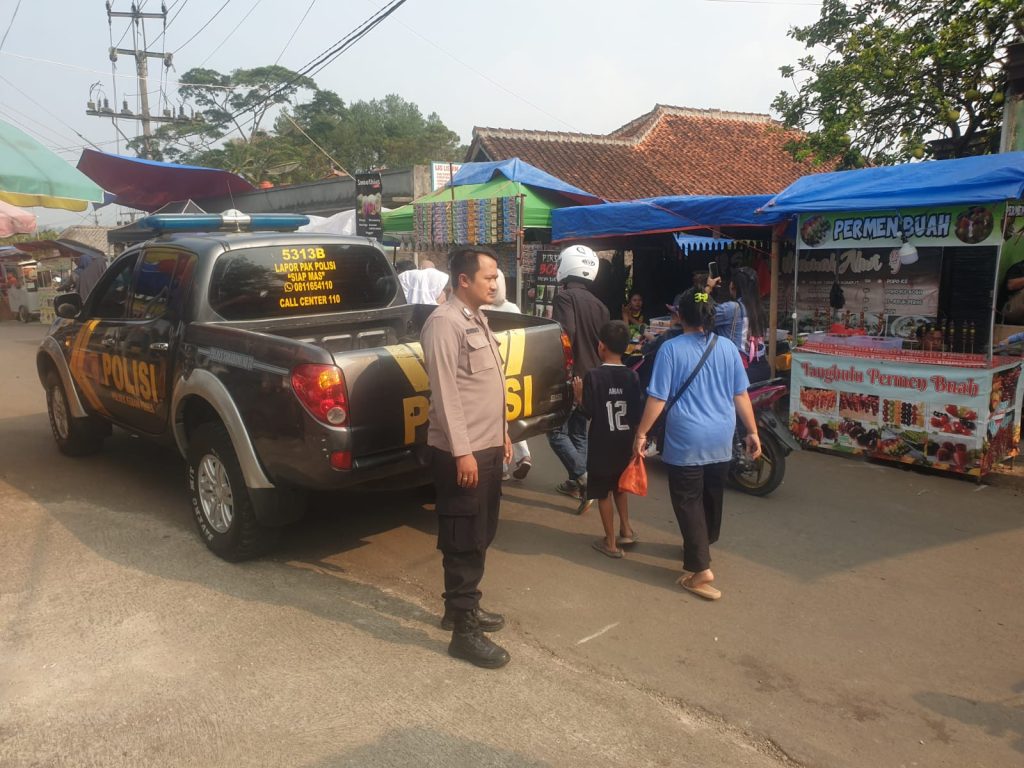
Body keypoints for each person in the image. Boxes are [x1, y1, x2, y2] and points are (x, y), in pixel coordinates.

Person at [633, 288, 761, 601]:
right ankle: (703, 542)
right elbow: (740, 394)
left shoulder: (671, 349)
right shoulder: (729, 348)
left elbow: (658, 398)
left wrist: (641, 433)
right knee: (711, 494)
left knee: (687, 499)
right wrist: (753, 431)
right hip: (721, 436)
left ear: (680, 316)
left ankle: (700, 569)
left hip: (687, 437)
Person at [421, 244, 513, 669]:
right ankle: (463, 633)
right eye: (489, 277)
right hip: (464, 451)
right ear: (464, 280)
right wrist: (464, 453)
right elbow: (446, 394)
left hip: (488, 444)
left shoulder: (477, 318)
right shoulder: (444, 324)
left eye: (495, 277)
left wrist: (505, 434)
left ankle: (461, 607)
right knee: (463, 539)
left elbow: (489, 386)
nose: (495, 283)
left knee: (482, 531)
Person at [573, 321, 643, 558]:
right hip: (623, 442)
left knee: (603, 493)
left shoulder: (593, 376)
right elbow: (636, 413)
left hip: (602, 444)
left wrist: (579, 396)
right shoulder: (632, 377)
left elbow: (589, 412)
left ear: (600, 346)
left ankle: (611, 543)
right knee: (620, 488)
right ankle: (626, 529)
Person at [549, 244, 609, 511]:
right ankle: (575, 483)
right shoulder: (601, 306)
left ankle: (584, 477)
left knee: (555, 432)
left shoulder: (564, 298)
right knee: (579, 433)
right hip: (594, 377)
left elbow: (566, 334)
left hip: (572, 377)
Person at [487, 269, 532, 480]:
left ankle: (502, 468)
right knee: (513, 414)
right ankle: (524, 456)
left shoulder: (477, 309)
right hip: (514, 369)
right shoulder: (512, 308)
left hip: (488, 372)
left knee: (495, 420)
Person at [708, 266, 770, 384]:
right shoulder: (759, 309)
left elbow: (698, 312)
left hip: (741, 370)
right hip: (762, 367)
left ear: (733, 286)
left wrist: (709, 287)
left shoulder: (732, 308)